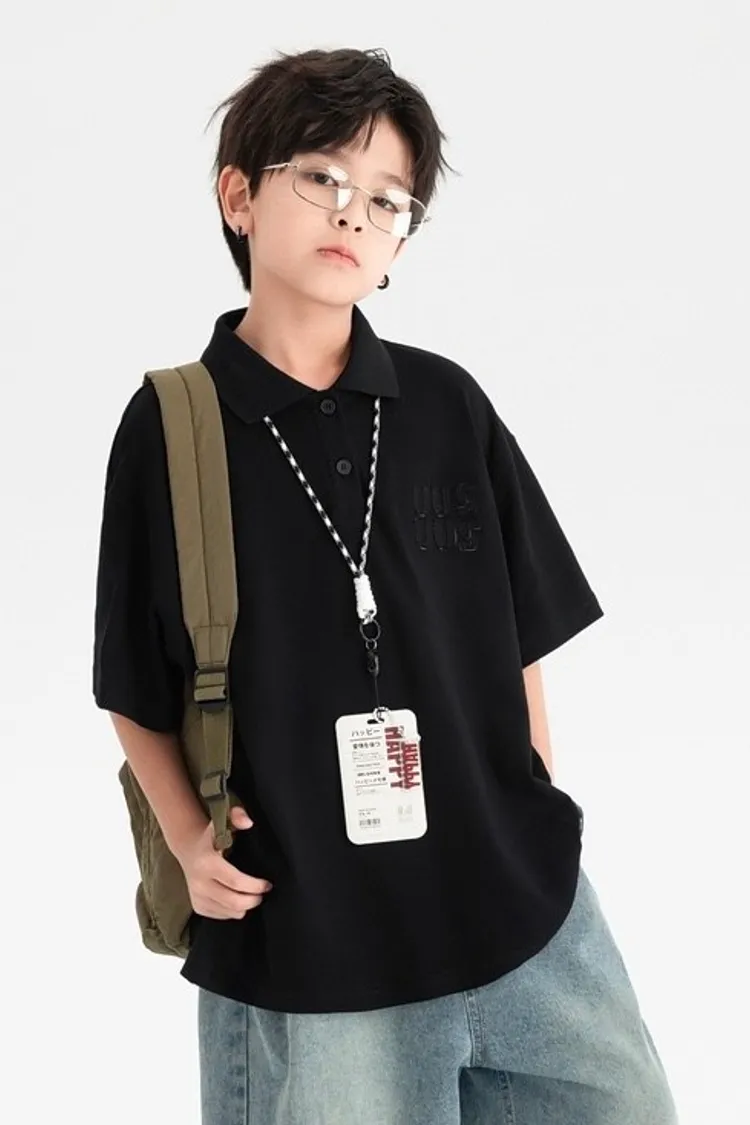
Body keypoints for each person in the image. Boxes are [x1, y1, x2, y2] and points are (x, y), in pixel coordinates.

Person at [93, 45, 679, 1125]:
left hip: (517, 902)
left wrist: (536, 803)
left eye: (387, 199)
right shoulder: (174, 428)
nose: (352, 212)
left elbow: (519, 632)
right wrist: (185, 839)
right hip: (317, 928)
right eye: (322, 176)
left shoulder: (445, 404)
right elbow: (132, 675)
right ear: (238, 196)